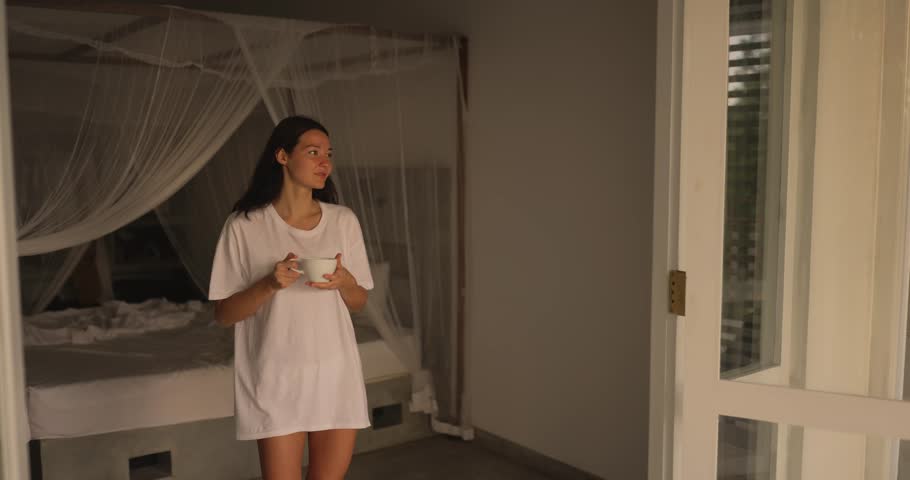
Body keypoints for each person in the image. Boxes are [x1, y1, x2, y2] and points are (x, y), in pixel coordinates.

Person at [209, 116, 373, 480]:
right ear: (282, 156)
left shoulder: (343, 220)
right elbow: (223, 314)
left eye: (328, 154)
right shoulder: (244, 226)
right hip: (276, 376)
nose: (324, 162)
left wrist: (345, 282)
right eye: (313, 152)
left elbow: (359, 302)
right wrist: (268, 284)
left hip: (335, 373)